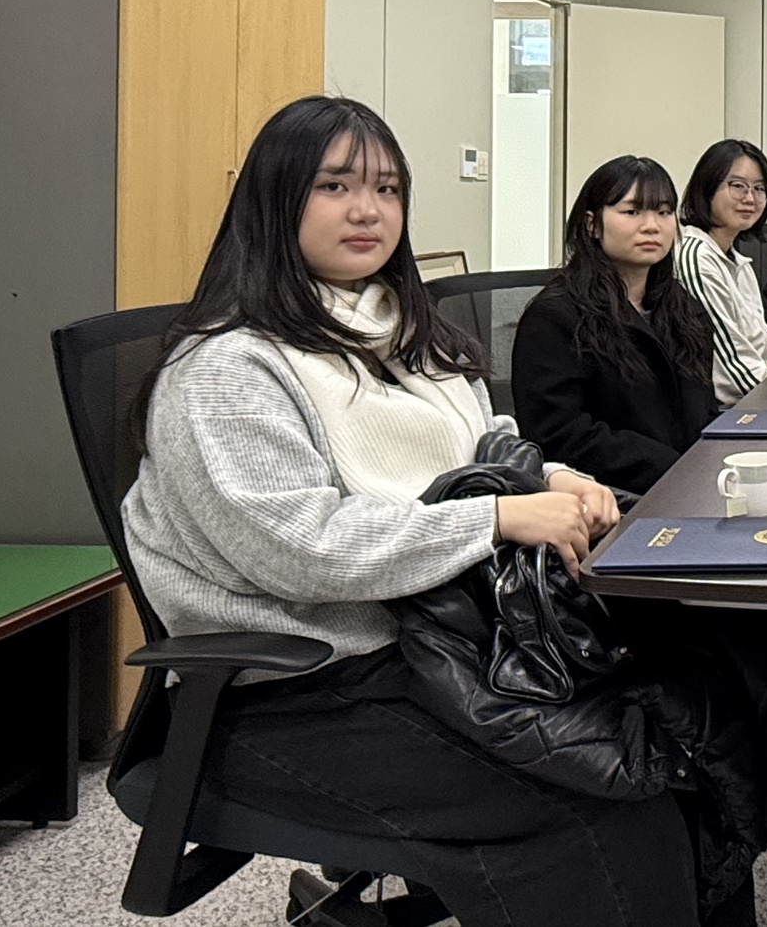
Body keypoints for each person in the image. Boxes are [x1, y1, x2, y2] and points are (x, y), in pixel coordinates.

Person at [119, 96, 695, 927]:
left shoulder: (397, 331)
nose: (367, 210)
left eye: (387, 189)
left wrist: (550, 475)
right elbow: (299, 547)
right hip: (307, 689)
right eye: (334, 185)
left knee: (674, 737)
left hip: (444, 641)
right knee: (596, 806)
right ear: (274, 199)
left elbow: (478, 440)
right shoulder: (226, 370)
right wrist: (494, 521)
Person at [512, 155, 719, 495]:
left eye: (664, 212)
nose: (652, 225)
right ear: (592, 224)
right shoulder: (555, 316)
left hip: (691, 487)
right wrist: (673, 470)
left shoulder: (685, 311)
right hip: (609, 498)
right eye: (632, 211)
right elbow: (557, 435)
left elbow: (704, 410)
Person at [677, 139, 767, 406]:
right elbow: (735, 377)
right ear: (707, 187)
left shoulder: (737, 261)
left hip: (758, 399)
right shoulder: (696, 258)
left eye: (760, 188)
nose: (750, 198)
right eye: (737, 186)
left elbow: (763, 354)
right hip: (728, 413)